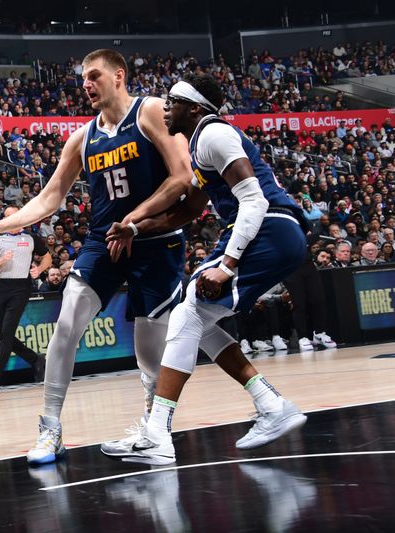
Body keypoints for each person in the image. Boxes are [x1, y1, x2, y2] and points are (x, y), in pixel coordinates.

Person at [0, 49, 192, 465]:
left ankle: (154, 431)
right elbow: (49, 197)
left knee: (148, 351)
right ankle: (50, 429)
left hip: (154, 238)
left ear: (119, 75)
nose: (86, 84)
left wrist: (135, 220)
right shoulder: (82, 138)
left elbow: (182, 175)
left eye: (94, 76)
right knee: (65, 324)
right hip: (105, 240)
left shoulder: (151, 111)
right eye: (83, 78)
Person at [109, 73, 308, 465]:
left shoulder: (214, 134)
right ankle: (269, 404)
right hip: (268, 232)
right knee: (195, 315)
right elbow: (187, 212)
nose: (165, 107)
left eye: (172, 101)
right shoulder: (200, 145)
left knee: (189, 312)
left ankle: (158, 432)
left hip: (267, 228)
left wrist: (228, 265)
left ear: (194, 108)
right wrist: (135, 226)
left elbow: (254, 202)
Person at [0, 206, 50, 393]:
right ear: (5, 219)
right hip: (0, 288)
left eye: (17, 216)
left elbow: (47, 257)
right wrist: (1, 262)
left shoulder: (31, 238)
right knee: (3, 335)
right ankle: (36, 359)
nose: (14, 220)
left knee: (7, 334)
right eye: (10, 217)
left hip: (21, 288)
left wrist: (40, 269)